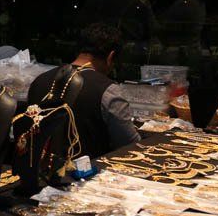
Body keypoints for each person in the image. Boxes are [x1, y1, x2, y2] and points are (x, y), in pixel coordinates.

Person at [26, 23, 140, 157]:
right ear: (110, 57)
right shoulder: (108, 90)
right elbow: (129, 144)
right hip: (89, 173)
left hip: (39, 170)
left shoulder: (39, 81)